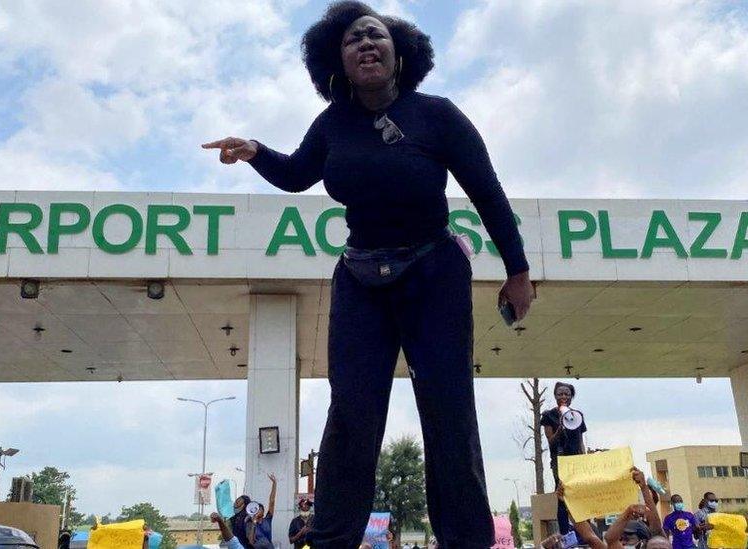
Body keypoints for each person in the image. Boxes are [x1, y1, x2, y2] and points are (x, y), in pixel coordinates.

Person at [202, 2, 534, 548]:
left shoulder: (438, 115)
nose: (365, 44)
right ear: (339, 61)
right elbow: (295, 175)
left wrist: (517, 271)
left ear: (400, 52)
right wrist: (256, 151)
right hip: (360, 277)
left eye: (375, 35)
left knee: (449, 411)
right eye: (353, 40)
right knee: (352, 413)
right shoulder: (332, 123)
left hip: (434, 272)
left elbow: (488, 193)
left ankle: (467, 540)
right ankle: (332, 538)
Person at [541, 382, 587, 535]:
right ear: (555, 396)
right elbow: (551, 441)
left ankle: (583, 532)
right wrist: (560, 428)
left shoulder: (577, 415)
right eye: (560, 393)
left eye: (567, 394)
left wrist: (585, 459)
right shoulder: (549, 415)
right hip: (560, 461)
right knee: (561, 496)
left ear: (571, 397)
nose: (563, 396)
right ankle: (565, 533)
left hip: (576, 461)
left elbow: (580, 441)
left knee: (580, 494)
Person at [244, 474, 278, 549]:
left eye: (260, 509)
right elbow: (251, 542)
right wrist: (254, 523)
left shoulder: (267, 519)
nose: (258, 510)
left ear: (263, 512)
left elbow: (272, 501)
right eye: (257, 509)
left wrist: (274, 484)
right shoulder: (249, 524)